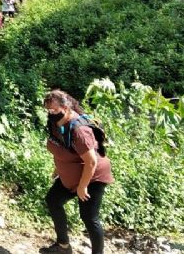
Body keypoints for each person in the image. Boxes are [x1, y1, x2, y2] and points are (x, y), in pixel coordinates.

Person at [40, 90, 114, 254]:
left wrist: (83, 186)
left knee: (89, 217)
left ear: (65, 107)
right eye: (48, 110)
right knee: (53, 200)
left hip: (92, 177)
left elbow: (91, 161)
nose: (50, 114)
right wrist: (58, 169)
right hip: (70, 175)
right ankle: (63, 246)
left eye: (53, 110)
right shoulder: (55, 122)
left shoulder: (80, 131)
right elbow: (60, 146)